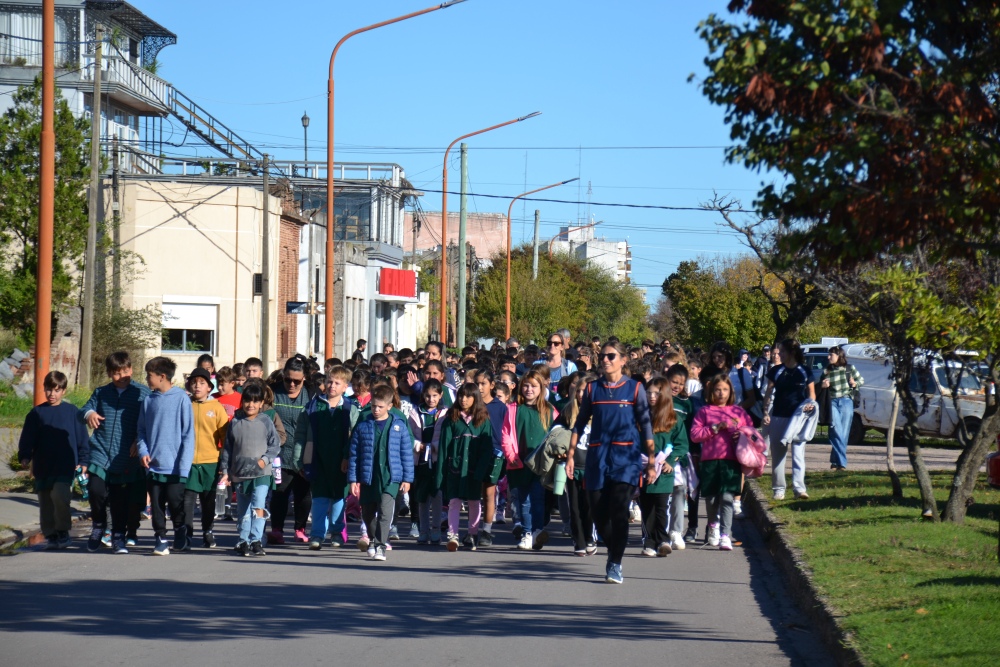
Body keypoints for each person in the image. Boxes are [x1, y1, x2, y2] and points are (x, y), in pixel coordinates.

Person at [566, 341, 655, 584]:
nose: (605, 360)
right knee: (598, 513)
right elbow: (580, 423)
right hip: (597, 457)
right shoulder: (593, 389)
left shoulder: (636, 389)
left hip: (626, 458)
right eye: (602, 356)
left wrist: (651, 461)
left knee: (618, 510)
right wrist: (571, 455)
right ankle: (613, 548)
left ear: (623, 359)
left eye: (611, 356)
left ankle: (615, 562)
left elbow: (646, 425)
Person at [79, 351, 150, 552]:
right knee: (96, 490)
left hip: (126, 456)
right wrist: (89, 413)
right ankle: (98, 526)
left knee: (120, 499)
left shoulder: (142, 394)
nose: (122, 376)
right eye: (117, 373)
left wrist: (139, 441)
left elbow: (151, 422)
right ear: (110, 373)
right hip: (100, 452)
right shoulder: (101, 393)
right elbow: (82, 410)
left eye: (126, 371)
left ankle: (119, 535)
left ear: (132, 369)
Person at [18, 371, 90, 550]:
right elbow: (28, 437)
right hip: (43, 465)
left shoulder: (72, 412)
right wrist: (25, 456)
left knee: (60, 496)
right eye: (49, 390)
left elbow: (82, 439)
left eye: (57, 390)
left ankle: (63, 531)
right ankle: (50, 534)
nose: (52, 394)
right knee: (45, 502)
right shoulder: (36, 413)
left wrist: (84, 460)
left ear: (64, 391)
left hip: (65, 465)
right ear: (44, 389)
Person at [348, 385, 414, 562]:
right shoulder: (363, 426)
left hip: (391, 477)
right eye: (373, 406)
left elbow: (406, 453)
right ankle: (371, 540)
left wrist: (407, 478)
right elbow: (354, 454)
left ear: (389, 406)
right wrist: (353, 479)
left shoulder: (398, 426)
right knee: (368, 513)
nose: (376, 410)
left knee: (385, 512)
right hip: (368, 475)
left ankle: (380, 546)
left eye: (380, 407)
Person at [137, 356, 195, 556]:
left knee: (176, 502)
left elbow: (188, 434)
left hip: (175, 466)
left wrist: (184, 466)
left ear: (162, 376)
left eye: (149, 375)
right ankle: (160, 538)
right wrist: (143, 451)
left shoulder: (181, 399)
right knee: (156, 504)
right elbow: (142, 431)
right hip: (153, 466)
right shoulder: (148, 400)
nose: (146, 379)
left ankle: (180, 529)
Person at [299, 365, 359, 550]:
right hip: (318, 459)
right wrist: (299, 458)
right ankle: (317, 535)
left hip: (341, 461)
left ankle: (337, 533)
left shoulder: (350, 408)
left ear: (345, 387)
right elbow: (301, 434)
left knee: (339, 500)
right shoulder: (312, 407)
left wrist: (349, 458)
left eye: (337, 383)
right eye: (329, 381)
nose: (332, 385)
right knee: (319, 499)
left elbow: (355, 436)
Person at [689, 375, 753, 550]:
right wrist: (714, 428)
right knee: (711, 499)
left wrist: (741, 434)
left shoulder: (739, 412)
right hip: (710, 461)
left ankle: (726, 534)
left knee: (727, 497)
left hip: (732, 460)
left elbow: (751, 431)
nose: (721, 393)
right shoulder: (705, 411)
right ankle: (713, 526)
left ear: (731, 391)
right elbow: (695, 435)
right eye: (718, 389)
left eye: (725, 389)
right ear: (711, 391)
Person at [218, 382, 280, 557]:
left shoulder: (266, 421)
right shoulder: (236, 422)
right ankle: (243, 540)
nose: (250, 405)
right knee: (243, 510)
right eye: (247, 401)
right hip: (240, 474)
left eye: (255, 401)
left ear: (261, 403)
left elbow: (275, 445)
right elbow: (228, 449)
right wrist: (225, 471)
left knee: (259, 506)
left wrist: (265, 460)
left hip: (261, 474)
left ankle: (256, 540)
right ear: (242, 401)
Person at [501, 369, 556, 550]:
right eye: (526, 385)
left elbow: (556, 434)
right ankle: (526, 532)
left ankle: (537, 531)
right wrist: (511, 456)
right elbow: (506, 435)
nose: (529, 389)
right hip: (519, 461)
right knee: (523, 499)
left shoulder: (549, 410)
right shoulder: (513, 409)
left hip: (541, 463)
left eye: (533, 386)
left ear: (541, 388)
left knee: (539, 498)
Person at [437, 383, 493, 552]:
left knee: (474, 502)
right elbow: (443, 448)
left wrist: (482, 471)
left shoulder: (483, 421)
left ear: (475, 398)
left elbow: (486, 449)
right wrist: (441, 473)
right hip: (454, 468)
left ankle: (472, 534)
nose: (463, 399)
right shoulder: (451, 419)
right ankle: (452, 535)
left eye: (468, 396)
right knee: (454, 502)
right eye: (461, 395)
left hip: (474, 470)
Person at [763, 339, 816, 500]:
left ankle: (799, 488)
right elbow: (768, 393)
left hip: (798, 419)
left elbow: (811, 393)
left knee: (798, 453)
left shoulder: (805, 371)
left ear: (792, 353)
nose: (779, 355)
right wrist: (766, 412)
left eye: (783, 352)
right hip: (779, 416)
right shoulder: (776, 371)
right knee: (778, 455)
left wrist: (811, 404)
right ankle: (779, 489)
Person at [183, 367, 229, 549]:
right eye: (194, 383)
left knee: (207, 501)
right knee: (187, 500)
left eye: (202, 383)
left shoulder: (217, 407)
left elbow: (225, 437)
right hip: (187, 462)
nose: (197, 386)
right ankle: (186, 534)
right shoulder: (185, 404)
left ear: (210, 387)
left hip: (210, 461)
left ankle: (208, 531)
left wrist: (224, 464)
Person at [640, 377, 686, 558]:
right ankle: (649, 541)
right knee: (646, 506)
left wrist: (671, 460)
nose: (652, 396)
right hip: (643, 468)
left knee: (661, 506)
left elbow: (682, 445)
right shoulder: (640, 416)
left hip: (664, 472)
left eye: (656, 393)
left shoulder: (674, 420)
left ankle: (663, 539)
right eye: (649, 392)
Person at [269, 356, 312, 544]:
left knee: (303, 495)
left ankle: (300, 529)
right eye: (288, 380)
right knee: (280, 492)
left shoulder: (311, 395)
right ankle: (277, 529)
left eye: (297, 381)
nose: (292, 384)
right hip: (280, 454)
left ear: (304, 379)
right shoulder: (273, 394)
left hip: (304, 452)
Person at [407, 379, 446, 544]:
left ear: (440, 395)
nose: (431, 399)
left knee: (437, 495)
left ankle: (436, 529)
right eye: (428, 396)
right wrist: (418, 446)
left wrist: (435, 447)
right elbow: (409, 435)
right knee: (421, 497)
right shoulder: (415, 413)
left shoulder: (445, 414)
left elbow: (446, 437)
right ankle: (423, 530)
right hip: (420, 462)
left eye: (435, 396)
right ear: (423, 395)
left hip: (437, 461)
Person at [664, 364, 695, 550]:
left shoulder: (685, 405)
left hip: (678, 454)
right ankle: (657, 530)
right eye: (674, 381)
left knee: (679, 489)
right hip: (658, 451)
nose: (677, 386)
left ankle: (676, 530)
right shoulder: (658, 399)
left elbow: (689, 429)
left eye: (681, 383)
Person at [475, 369, 507, 547]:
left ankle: (486, 531)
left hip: (494, 454)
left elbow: (505, 432)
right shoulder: (471, 404)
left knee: (489, 493)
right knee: (473, 494)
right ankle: (471, 531)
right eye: (477, 384)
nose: (480, 387)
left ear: (492, 385)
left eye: (483, 384)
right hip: (473, 452)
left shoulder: (500, 407)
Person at [820, 346, 863, 471]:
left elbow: (861, 380)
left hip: (846, 401)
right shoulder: (827, 371)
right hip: (831, 401)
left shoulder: (849, 369)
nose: (828, 357)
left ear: (839, 356)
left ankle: (835, 462)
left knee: (843, 433)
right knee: (836, 429)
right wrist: (823, 385)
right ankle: (842, 463)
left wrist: (855, 383)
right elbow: (820, 386)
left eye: (831, 355)